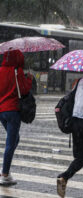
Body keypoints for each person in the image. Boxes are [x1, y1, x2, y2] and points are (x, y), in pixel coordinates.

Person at [0, 49, 32, 185]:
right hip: (13, 110)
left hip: (1, 111)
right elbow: (24, 90)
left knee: (14, 139)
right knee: (11, 142)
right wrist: (29, 78)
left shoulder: (0, 70)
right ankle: (5, 174)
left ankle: (5, 168)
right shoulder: (16, 70)